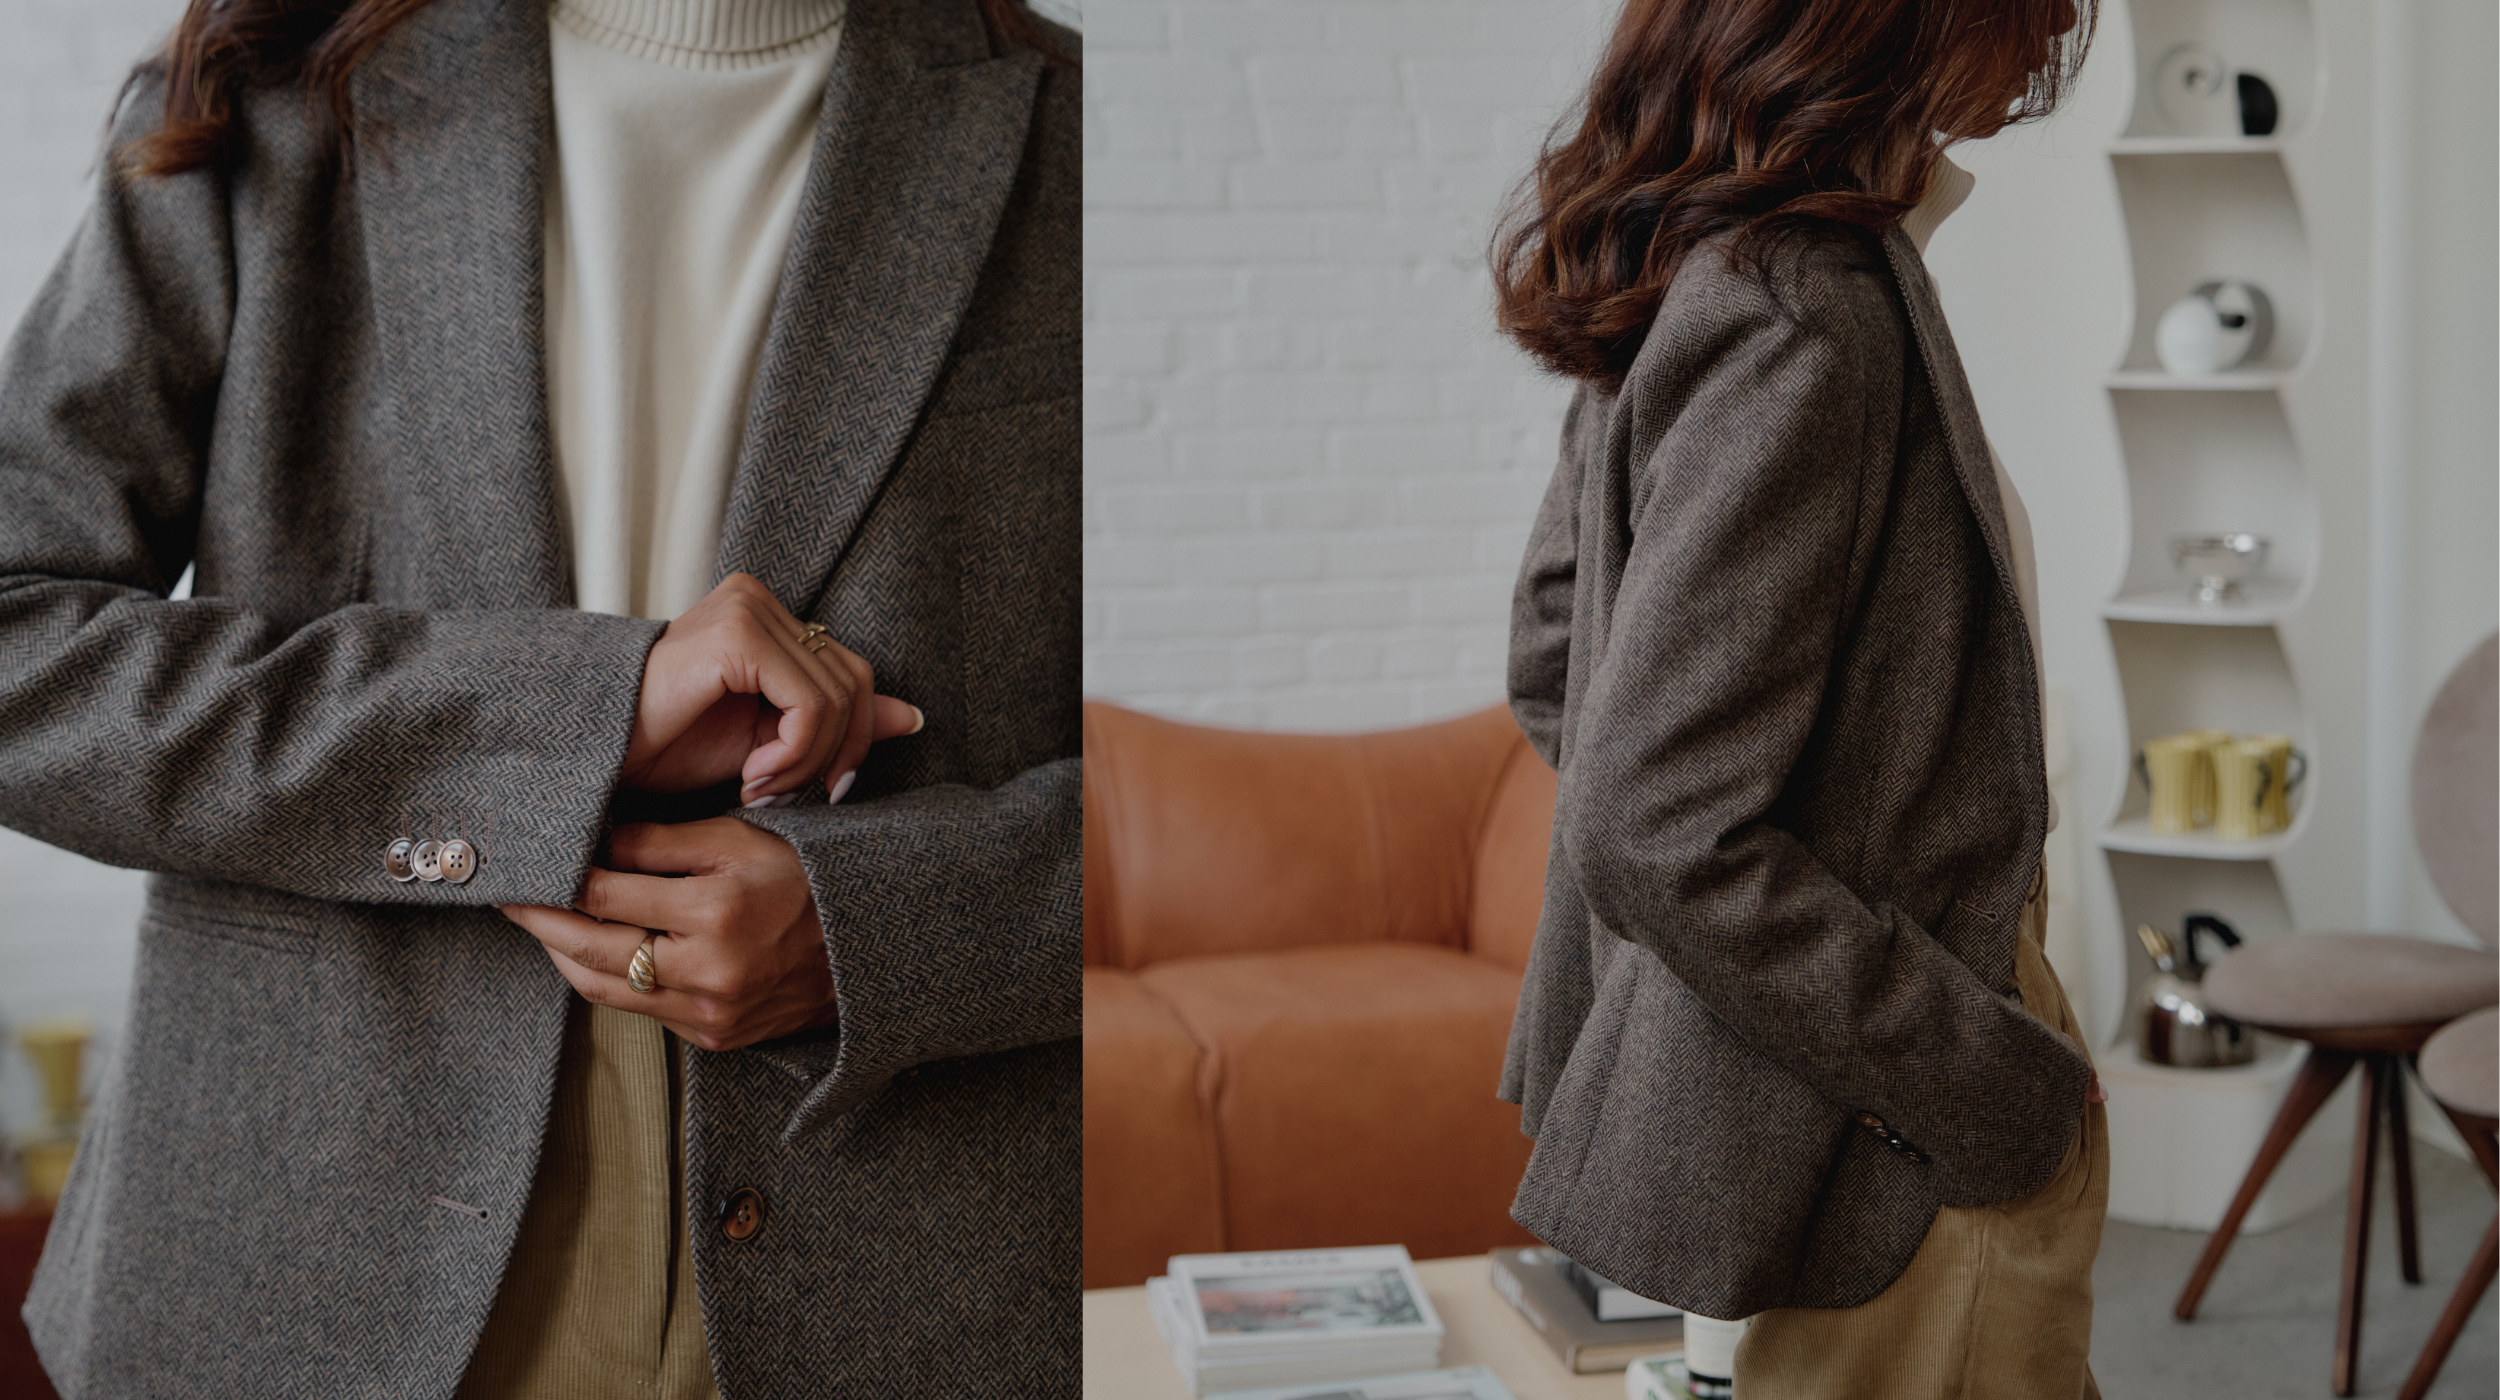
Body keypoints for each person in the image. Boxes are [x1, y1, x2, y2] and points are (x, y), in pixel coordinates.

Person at [0, 0, 1079, 1394]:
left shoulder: (1059, 123)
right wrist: (572, 713)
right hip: (319, 1244)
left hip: (921, 1265)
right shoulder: (272, 91)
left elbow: (1157, 819)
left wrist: (900, 927)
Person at [1490, 1, 2107, 1395]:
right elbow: (1653, 823)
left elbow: (1554, 655)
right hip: (1902, 1100)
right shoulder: (1805, 311)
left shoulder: (1703, 272)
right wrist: (1987, 1079)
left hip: (1821, 1094)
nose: (2048, 43)